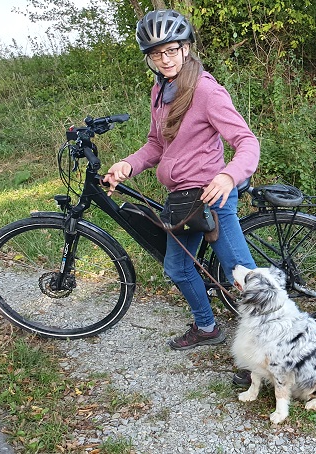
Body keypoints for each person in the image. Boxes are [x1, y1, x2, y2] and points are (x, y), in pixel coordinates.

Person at [103, 9, 258, 361]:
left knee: (246, 280)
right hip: (183, 199)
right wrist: (128, 164)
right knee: (177, 268)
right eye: (156, 53)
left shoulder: (206, 91)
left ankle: (273, 350)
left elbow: (247, 142)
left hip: (212, 197)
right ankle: (207, 327)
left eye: (171, 50)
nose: (165, 59)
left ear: (186, 48)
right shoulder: (161, 90)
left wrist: (228, 175)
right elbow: (156, 144)